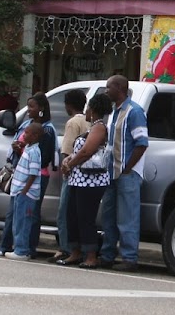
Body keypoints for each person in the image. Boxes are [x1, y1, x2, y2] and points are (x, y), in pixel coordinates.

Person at [98, 75, 149, 272]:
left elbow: (142, 143)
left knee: (127, 217)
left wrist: (128, 168)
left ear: (119, 88)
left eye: (108, 87)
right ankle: (108, 254)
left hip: (127, 173)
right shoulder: (114, 112)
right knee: (108, 216)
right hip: (111, 172)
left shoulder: (134, 111)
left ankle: (129, 258)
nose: (106, 91)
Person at [59, 91, 110, 268]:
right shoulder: (91, 127)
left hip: (91, 182)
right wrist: (68, 160)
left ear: (94, 109)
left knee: (85, 217)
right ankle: (75, 251)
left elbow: (87, 151)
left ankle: (91, 255)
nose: (85, 110)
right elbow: (79, 151)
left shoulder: (99, 127)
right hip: (78, 180)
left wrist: (70, 163)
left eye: (88, 107)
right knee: (72, 215)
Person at [52, 89, 89, 265]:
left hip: (72, 172)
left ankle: (65, 248)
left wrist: (64, 168)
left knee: (64, 212)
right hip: (86, 174)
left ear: (68, 105)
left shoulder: (72, 123)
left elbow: (66, 150)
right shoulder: (89, 121)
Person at [5, 123, 43, 261]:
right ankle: (18, 248)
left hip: (25, 194)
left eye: (27, 133)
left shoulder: (34, 152)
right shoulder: (28, 148)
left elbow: (33, 174)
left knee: (23, 222)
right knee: (17, 221)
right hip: (18, 191)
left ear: (35, 136)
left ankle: (21, 250)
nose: (24, 135)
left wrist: (24, 191)